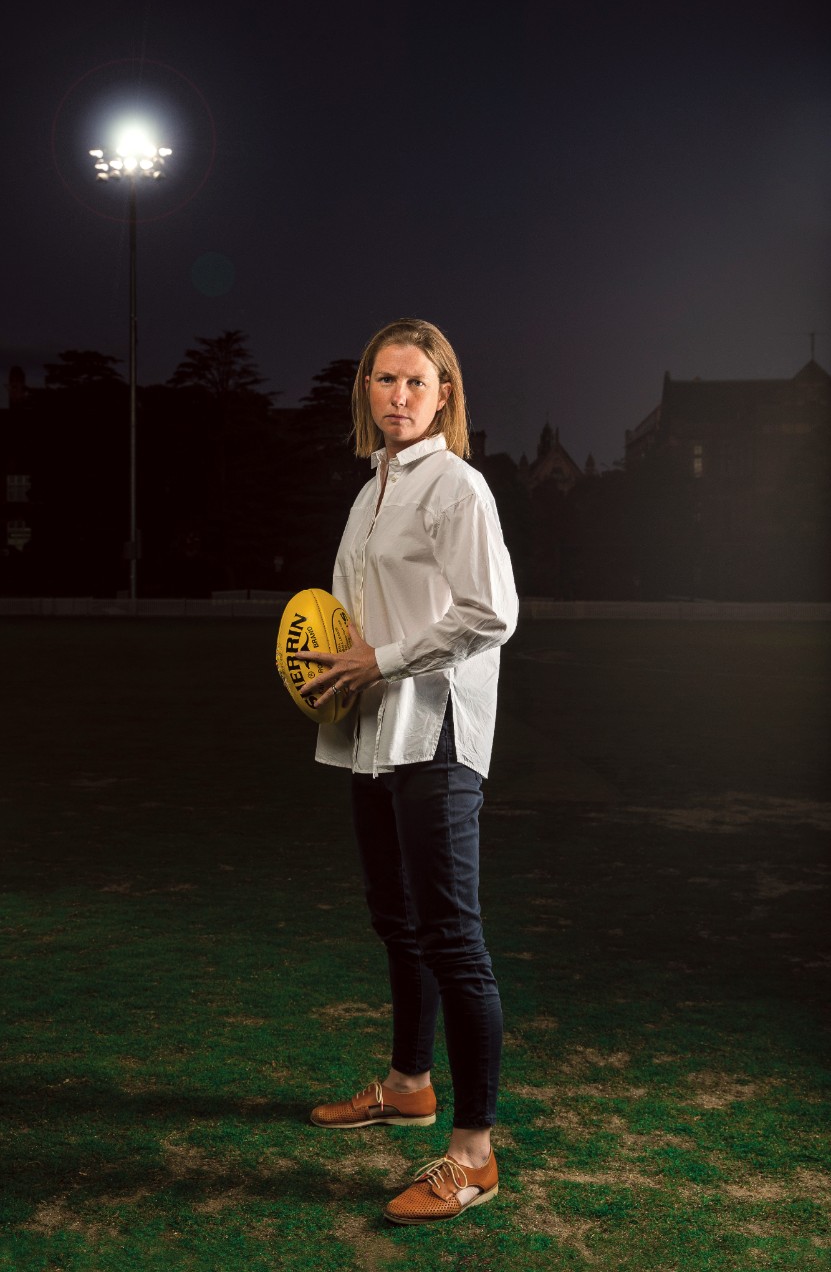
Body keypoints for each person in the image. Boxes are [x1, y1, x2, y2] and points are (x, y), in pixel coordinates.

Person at [294, 317, 518, 1226]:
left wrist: (381, 660)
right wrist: (335, 661)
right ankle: (406, 1083)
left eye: (414, 383)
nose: (396, 397)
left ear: (444, 394)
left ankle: (472, 1155)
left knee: (451, 936)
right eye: (382, 381)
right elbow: (355, 610)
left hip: (435, 733)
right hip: (369, 732)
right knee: (397, 921)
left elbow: (491, 611)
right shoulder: (373, 487)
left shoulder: (456, 486)